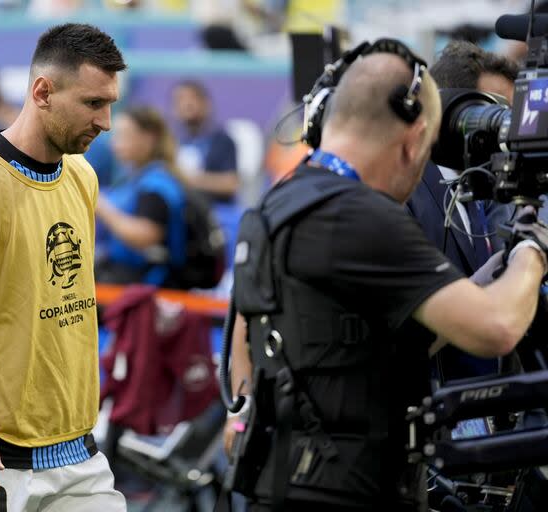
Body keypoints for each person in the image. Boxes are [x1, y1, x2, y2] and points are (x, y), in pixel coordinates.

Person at [225, 49, 547, 511]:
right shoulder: (366, 217)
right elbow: (496, 328)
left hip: (283, 485)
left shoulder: (279, 204)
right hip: (351, 491)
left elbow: (246, 334)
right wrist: (534, 247)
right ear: (417, 138)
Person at [0, 23, 128, 512]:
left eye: (110, 104)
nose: (108, 122)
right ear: (43, 92)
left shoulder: (83, 175)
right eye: (94, 104)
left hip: (77, 451)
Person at [407, 40, 519, 380]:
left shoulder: (487, 191)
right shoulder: (406, 191)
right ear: (448, 111)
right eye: (493, 114)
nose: (505, 133)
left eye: (510, 118)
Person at [95, 106, 189, 288]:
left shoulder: (159, 185)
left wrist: (99, 204)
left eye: (124, 136)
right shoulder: (134, 178)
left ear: (149, 138)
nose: (115, 144)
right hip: (121, 275)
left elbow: (144, 237)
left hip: (148, 284)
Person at [172, 80, 239, 202]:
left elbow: (231, 184)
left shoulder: (222, 140)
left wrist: (188, 179)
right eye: (180, 100)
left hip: (213, 210)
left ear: (206, 104)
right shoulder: (171, 141)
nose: (187, 104)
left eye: (193, 98)